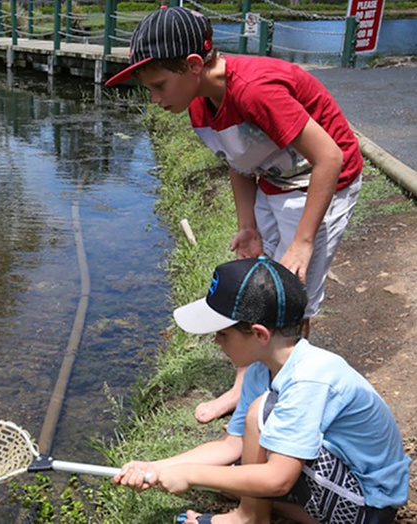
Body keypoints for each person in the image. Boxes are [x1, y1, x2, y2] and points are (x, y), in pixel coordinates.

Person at [106, 6, 363, 424]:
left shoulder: (256, 90)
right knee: (255, 287)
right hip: (273, 180)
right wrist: (247, 225)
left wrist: (302, 241)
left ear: (192, 66)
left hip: (320, 183)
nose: (153, 99)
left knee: (292, 298)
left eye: (157, 85)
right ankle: (246, 388)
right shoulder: (199, 104)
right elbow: (239, 159)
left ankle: (290, 396)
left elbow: (330, 158)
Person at [113, 257, 411, 524]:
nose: (216, 342)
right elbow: (231, 446)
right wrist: (157, 466)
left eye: (222, 334)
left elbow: (277, 480)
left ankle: (249, 518)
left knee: (260, 416)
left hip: (368, 504)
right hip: (340, 484)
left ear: (259, 334)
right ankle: (267, 511)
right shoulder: (261, 368)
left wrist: (190, 476)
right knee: (237, 466)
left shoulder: (310, 378)